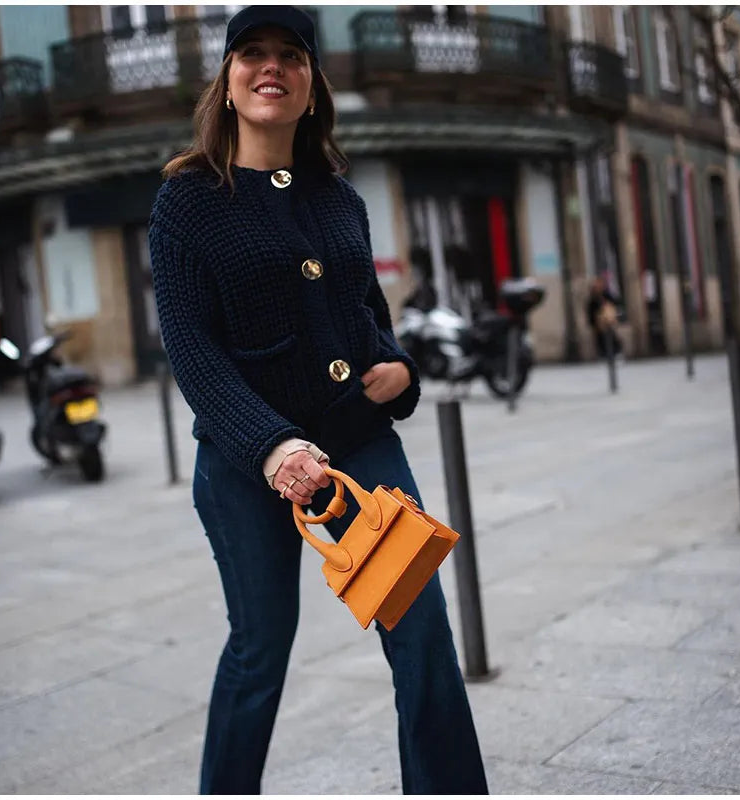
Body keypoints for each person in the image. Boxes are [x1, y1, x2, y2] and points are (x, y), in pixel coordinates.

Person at [148, 6, 488, 795]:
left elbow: (369, 317)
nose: (271, 68)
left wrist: (399, 367)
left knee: (424, 636)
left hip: (358, 447)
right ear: (227, 81)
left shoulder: (339, 197)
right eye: (252, 54)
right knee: (260, 650)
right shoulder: (187, 202)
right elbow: (193, 353)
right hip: (245, 464)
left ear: (311, 86)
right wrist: (272, 447)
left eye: (291, 56)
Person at [586, 274, 622, 359]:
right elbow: (591, 310)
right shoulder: (593, 297)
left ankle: (615, 352)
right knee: (600, 338)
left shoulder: (606, 295)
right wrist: (592, 322)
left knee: (611, 336)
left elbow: (614, 304)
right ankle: (604, 353)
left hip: (608, 320)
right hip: (598, 322)